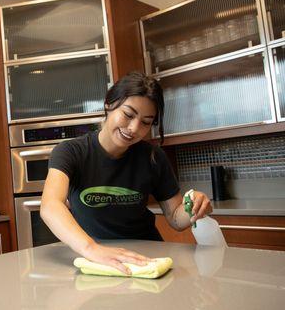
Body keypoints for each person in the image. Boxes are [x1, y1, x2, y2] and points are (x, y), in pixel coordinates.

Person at [40, 72, 213, 275]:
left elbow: (176, 219)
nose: (134, 128)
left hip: (147, 257)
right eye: (128, 115)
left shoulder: (153, 157)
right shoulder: (71, 152)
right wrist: (91, 249)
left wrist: (193, 206)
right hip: (99, 258)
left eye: (146, 122)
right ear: (108, 104)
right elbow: (50, 205)